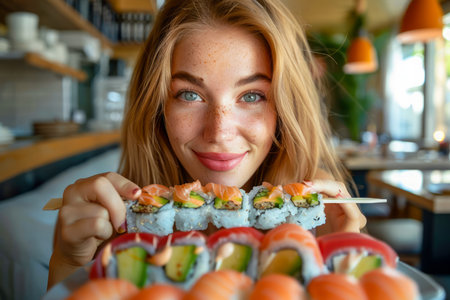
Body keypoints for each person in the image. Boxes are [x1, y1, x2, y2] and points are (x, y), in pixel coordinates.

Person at [47, 0, 366, 289]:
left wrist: (336, 270)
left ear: (285, 109)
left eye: (252, 96)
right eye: (190, 94)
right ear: (157, 108)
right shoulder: (109, 230)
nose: (219, 132)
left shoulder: (324, 219)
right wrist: (69, 264)